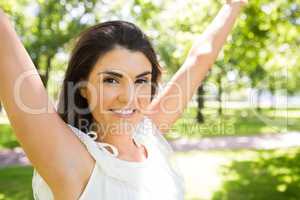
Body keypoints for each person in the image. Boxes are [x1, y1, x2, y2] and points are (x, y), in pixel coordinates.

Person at [0, 0, 247, 199]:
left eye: (141, 80)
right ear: (83, 88)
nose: (129, 98)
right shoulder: (73, 163)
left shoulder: (148, 135)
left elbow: (199, 58)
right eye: (111, 80)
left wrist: (233, 5)